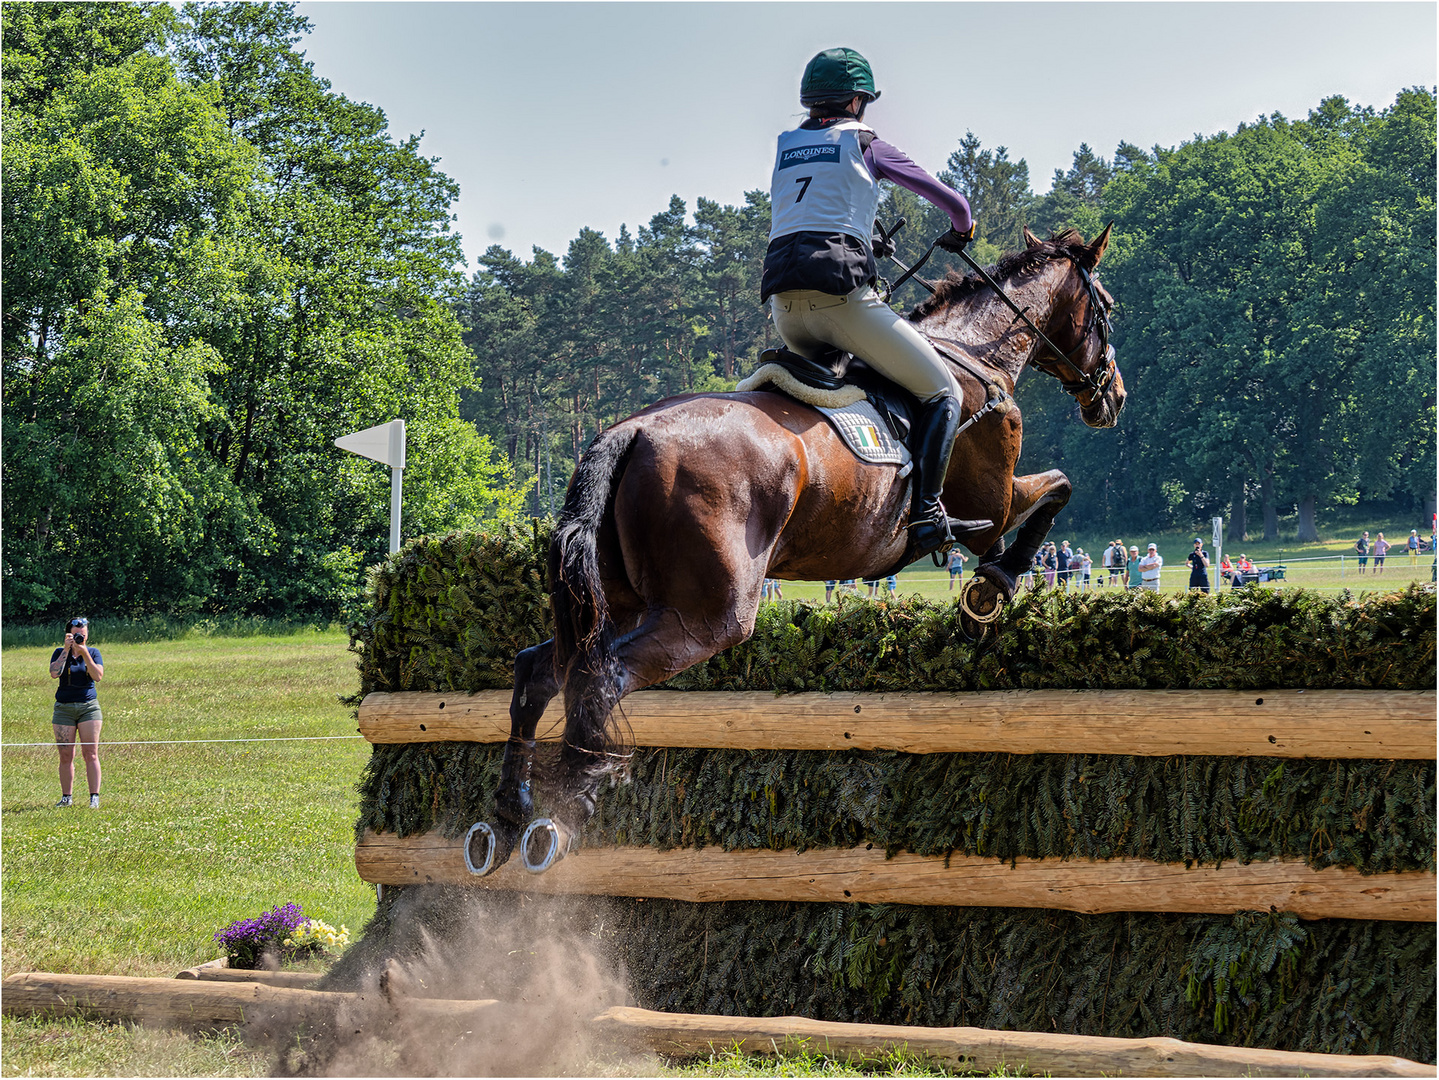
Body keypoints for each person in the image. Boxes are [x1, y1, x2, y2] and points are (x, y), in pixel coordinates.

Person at [764, 47, 990, 559]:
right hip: (840, 302)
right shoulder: (866, 144)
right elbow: (955, 203)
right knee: (943, 392)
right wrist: (964, 230)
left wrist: (867, 241)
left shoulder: (786, 146)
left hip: (785, 309)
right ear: (857, 100)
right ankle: (928, 514)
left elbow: (812, 211)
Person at [49, 617, 104, 809]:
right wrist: (66, 650)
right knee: (65, 755)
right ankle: (66, 798)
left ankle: (94, 798)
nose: (80, 636)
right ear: (68, 635)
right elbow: (54, 673)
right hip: (63, 708)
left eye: (83, 634)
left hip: (88, 707)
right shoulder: (59, 652)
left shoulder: (94, 653)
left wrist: (84, 653)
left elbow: (97, 676)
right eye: (76, 634)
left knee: (91, 754)